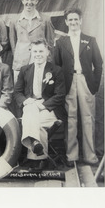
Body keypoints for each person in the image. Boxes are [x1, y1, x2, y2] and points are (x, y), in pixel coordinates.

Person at [54, 8, 103, 166]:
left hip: (85, 81)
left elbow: (98, 64)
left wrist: (94, 85)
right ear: (66, 22)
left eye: (76, 19)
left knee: (88, 118)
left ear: (80, 21)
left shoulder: (90, 40)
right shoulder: (61, 42)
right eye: (71, 20)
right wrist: (61, 86)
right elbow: (56, 66)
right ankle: (71, 156)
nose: (73, 22)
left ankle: (90, 156)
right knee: (71, 119)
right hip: (69, 83)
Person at [14, 39, 66, 171]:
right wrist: (26, 101)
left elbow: (60, 95)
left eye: (41, 51)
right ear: (31, 52)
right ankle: (39, 154)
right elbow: (18, 92)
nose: (38, 54)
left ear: (48, 52)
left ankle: (34, 157)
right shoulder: (25, 70)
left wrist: (41, 105)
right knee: (34, 116)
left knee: (31, 115)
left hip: (49, 109)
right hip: (31, 107)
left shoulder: (56, 70)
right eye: (35, 51)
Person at [9, 0, 55, 82]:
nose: (29, 2)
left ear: (37, 1)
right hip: (20, 62)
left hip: (39, 60)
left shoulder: (45, 19)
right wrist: (18, 57)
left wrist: (48, 62)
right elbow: (13, 43)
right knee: (20, 90)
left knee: (39, 89)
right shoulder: (15, 20)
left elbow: (50, 43)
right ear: (22, 1)